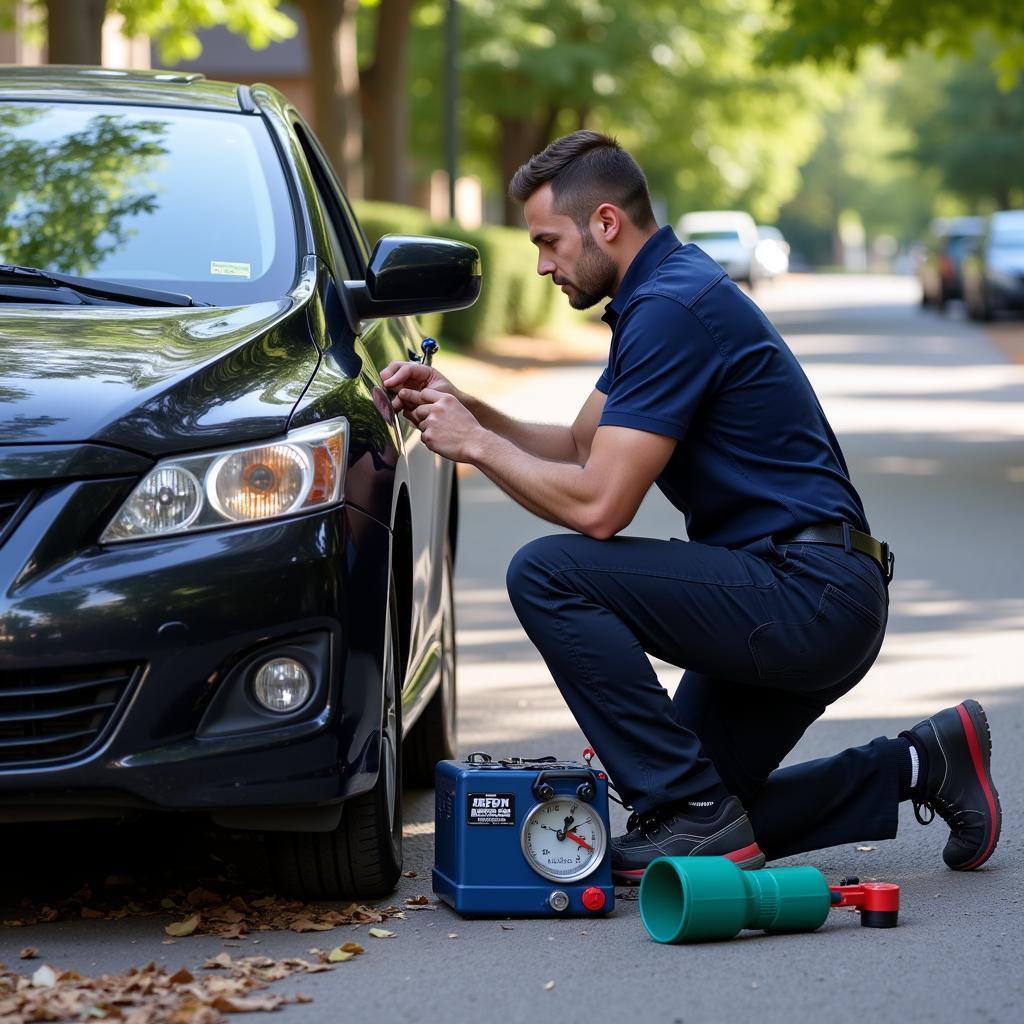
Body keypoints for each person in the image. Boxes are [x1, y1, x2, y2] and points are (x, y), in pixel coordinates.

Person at [380, 130, 1000, 882]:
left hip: (808, 592)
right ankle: (920, 762)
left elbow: (600, 507)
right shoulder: (663, 293)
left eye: (548, 241)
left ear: (606, 223)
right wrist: (464, 405)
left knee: (547, 573)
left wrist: (475, 444)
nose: (542, 263)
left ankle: (693, 811)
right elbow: (582, 447)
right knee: (698, 813)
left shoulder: (672, 307)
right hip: (806, 587)